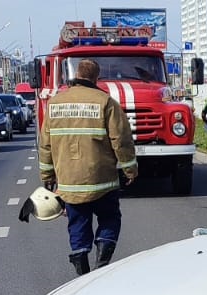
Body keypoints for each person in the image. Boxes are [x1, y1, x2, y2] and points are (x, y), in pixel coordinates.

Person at [38, 59, 138, 276]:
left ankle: (81, 270)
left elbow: (45, 144)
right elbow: (121, 140)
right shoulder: (106, 102)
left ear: (75, 75)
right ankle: (101, 264)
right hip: (103, 181)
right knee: (110, 218)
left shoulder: (54, 104)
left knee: (78, 223)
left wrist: (47, 175)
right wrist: (130, 169)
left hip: (69, 183)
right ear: (96, 77)